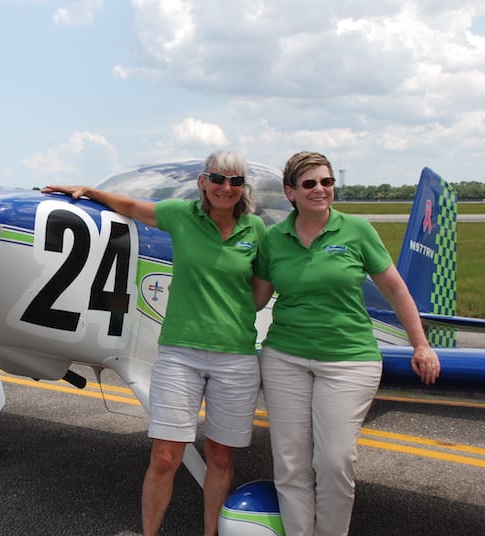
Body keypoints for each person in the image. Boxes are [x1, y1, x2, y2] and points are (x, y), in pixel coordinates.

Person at [43, 150, 265, 536]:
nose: (226, 188)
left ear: (242, 188)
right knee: (165, 456)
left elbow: (261, 294)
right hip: (180, 353)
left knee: (221, 456)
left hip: (236, 357)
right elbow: (129, 206)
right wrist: (87, 190)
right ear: (203, 182)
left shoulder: (257, 231)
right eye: (218, 178)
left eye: (235, 181)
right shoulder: (181, 215)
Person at [253, 151, 441, 536]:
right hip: (284, 357)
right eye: (310, 184)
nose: (320, 190)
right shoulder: (273, 239)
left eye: (327, 182)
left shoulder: (357, 230)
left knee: (334, 460)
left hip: (349, 360)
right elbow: (253, 300)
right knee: (290, 463)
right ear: (291, 192)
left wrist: (421, 344)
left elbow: (394, 287)